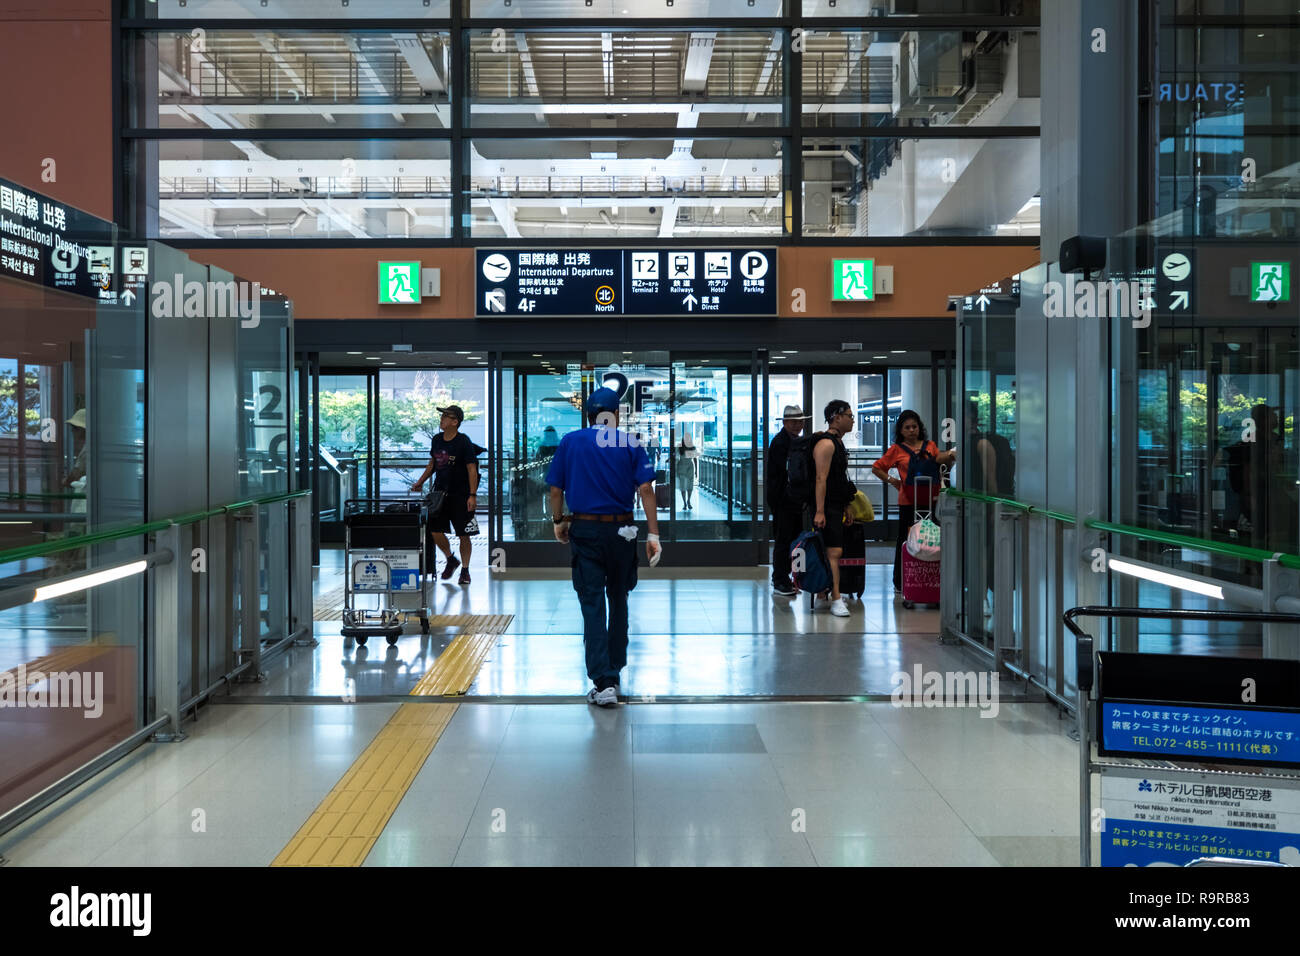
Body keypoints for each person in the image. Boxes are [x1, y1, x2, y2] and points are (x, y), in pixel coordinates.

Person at [546, 386, 661, 707]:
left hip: (585, 530)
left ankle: (603, 680)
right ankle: (615, 668)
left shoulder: (571, 442)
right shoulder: (630, 443)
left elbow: (556, 489)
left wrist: (559, 521)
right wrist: (653, 535)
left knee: (592, 601)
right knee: (619, 597)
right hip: (623, 530)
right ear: (618, 414)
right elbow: (647, 490)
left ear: (588, 414)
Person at [872, 410, 957, 595]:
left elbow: (939, 458)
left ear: (920, 428)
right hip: (908, 502)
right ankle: (901, 581)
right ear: (901, 430)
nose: (912, 430)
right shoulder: (896, 450)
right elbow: (877, 467)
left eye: (914, 426)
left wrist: (951, 454)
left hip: (930, 500)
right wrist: (893, 481)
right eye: (907, 427)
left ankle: (930, 579)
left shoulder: (930, 446)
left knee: (930, 540)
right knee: (904, 539)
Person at [410, 404, 483, 586]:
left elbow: (472, 469)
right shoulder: (437, 439)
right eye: (442, 416)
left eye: (445, 417)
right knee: (435, 530)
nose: (441, 420)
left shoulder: (463, 441)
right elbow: (432, 464)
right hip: (439, 494)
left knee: (463, 534)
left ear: (455, 422)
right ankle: (451, 559)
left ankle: (465, 570)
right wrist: (419, 482)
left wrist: (472, 495)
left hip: (461, 494)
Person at [811, 399, 859, 617]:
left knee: (830, 550)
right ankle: (836, 598)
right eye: (849, 415)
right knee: (833, 551)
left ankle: (824, 593)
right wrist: (820, 510)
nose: (852, 419)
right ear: (836, 417)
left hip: (835, 504)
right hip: (826, 506)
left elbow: (839, 478)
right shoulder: (827, 444)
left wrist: (846, 505)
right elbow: (821, 479)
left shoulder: (837, 443)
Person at [766, 404, 811, 596]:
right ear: (785, 422)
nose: (797, 425)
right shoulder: (780, 443)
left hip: (794, 500)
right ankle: (780, 580)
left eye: (800, 422)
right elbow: (779, 475)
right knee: (784, 541)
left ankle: (791, 579)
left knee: (794, 541)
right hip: (784, 501)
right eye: (793, 422)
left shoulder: (796, 442)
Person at [677, 433, 700, 511]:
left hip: (689, 467)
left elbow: (695, 459)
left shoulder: (692, 447)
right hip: (682, 467)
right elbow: (675, 456)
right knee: (683, 486)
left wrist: (696, 470)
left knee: (690, 485)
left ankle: (688, 501)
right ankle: (684, 503)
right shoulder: (679, 447)